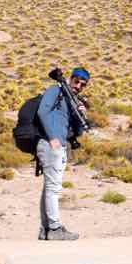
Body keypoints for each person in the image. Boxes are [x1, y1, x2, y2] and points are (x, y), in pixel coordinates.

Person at [35, 67, 90, 241]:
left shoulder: (72, 100)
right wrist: (52, 138)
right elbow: (42, 112)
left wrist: (81, 113)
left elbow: (78, 131)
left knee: (49, 187)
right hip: (51, 143)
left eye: (83, 84)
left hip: (60, 145)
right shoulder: (56, 90)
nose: (79, 86)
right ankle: (55, 228)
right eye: (77, 81)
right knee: (54, 187)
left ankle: (46, 229)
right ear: (70, 79)